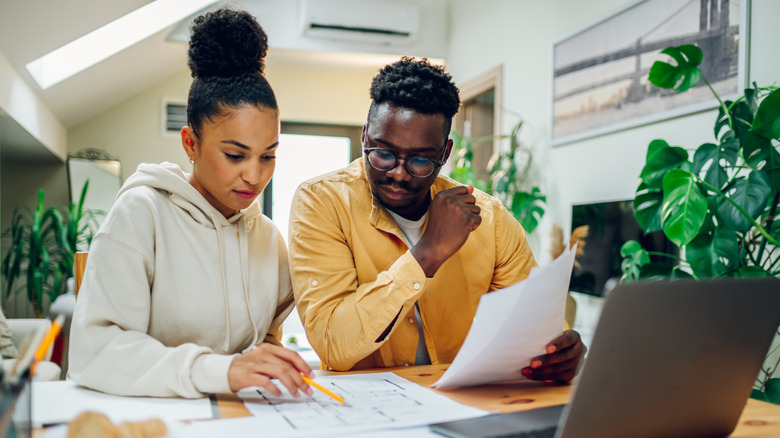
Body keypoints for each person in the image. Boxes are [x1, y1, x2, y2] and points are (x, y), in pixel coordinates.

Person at [288, 57, 585, 381]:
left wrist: (560, 351)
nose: (398, 173)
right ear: (364, 137)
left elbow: (535, 324)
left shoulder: (491, 219)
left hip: (464, 406)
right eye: (383, 154)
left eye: (419, 160)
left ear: (445, 153)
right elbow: (333, 345)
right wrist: (427, 252)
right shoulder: (322, 202)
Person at [69, 8, 314, 398]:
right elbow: (95, 353)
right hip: (145, 420)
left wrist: (270, 359)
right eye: (235, 155)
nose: (255, 175)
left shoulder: (267, 237)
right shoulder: (141, 214)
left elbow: (267, 335)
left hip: (233, 418)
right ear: (190, 144)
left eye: (268, 155)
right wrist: (219, 370)